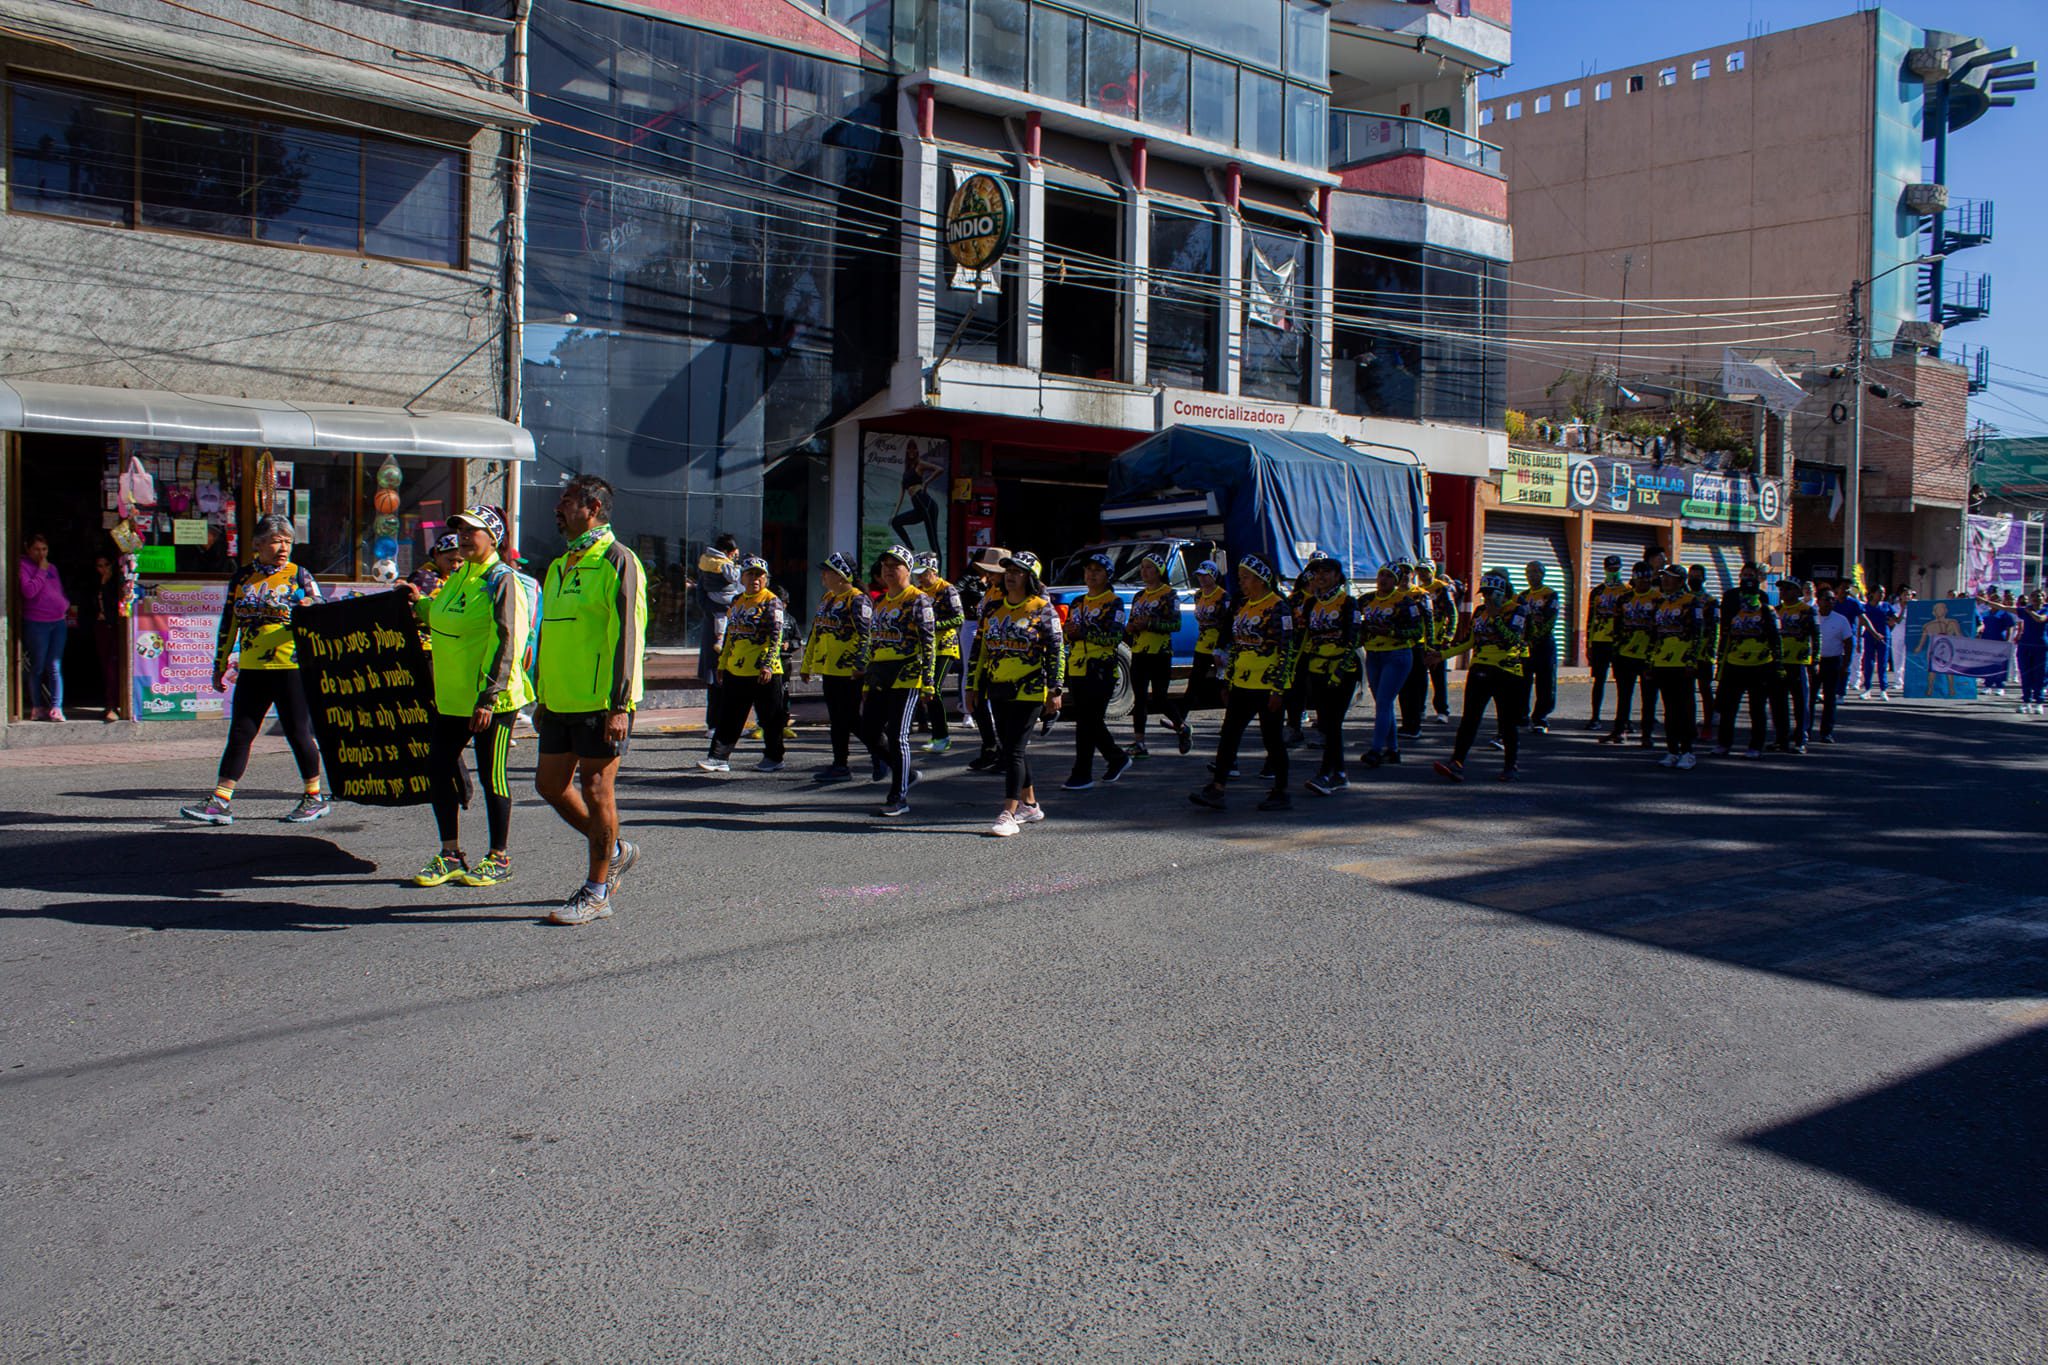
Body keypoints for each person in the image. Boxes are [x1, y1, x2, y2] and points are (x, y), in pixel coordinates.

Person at [531, 476, 647, 926]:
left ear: (592, 507)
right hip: (560, 700)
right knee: (549, 787)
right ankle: (615, 850)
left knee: (597, 792)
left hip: (602, 702)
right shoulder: (561, 563)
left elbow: (629, 634)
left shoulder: (618, 559)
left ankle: (597, 891)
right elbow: (550, 635)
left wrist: (620, 705)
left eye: (565, 502)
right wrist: (543, 694)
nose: (557, 510)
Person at [404, 506, 533, 888]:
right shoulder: (461, 575)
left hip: (491, 700)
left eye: (472, 531)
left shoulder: (502, 579)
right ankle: (450, 853)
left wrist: (488, 698)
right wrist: (417, 602)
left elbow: (511, 640)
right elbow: (443, 617)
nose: (463, 536)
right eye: (459, 530)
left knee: (494, 777)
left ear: (493, 537)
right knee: (438, 768)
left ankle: (499, 857)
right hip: (453, 698)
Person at [177, 515, 328, 825]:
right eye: (276, 541)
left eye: (287, 541)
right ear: (258, 545)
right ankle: (220, 801)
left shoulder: (300, 576)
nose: (283, 547)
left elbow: (322, 612)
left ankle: (313, 796)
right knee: (241, 733)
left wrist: (311, 607)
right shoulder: (242, 578)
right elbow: (228, 623)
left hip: (290, 667)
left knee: (298, 733)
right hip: (252, 667)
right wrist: (219, 664)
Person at [967, 551, 1065, 836]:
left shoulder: (1042, 608)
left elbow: (1057, 651)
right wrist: (972, 686)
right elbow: (980, 651)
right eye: (1008, 571)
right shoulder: (992, 609)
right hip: (998, 686)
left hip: (1030, 688)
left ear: (1030, 578)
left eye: (1018, 572)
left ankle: (1008, 812)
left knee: (1014, 749)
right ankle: (1030, 804)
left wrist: (1055, 689)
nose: (1010, 576)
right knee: (1011, 746)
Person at [1189, 555, 1296, 812]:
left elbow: (1287, 650)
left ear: (1261, 579)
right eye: (1240, 577)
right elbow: (1236, 646)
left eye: (1246, 577)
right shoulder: (1242, 606)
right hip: (1242, 684)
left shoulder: (1278, 607)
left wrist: (1278, 689)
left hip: (1267, 685)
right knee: (1229, 735)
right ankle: (1217, 788)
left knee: (1272, 740)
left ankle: (1281, 791)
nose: (1242, 582)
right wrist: (1226, 680)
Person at [1431, 570, 1530, 783]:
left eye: (1490, 594)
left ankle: (1510, 765)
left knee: (1507, 721)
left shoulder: (1517, 610)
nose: (1486, 598)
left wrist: (1496, 619)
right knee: (1470, 719)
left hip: (1507, 672)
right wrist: (1441, 655)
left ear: (1501, 592)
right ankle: (1456, 762)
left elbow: (1513, 640)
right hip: (1480, 670)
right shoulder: (1479, 612)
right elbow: (1469, 642)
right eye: (1483, 594)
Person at [861, 544, 936, 817]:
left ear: (908, 570)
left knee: (898, 735)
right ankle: (907, 772)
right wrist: (868, 682)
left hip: (907, 674)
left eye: (895, 566)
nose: (889, 571)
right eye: (885, 566)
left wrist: (928, 681)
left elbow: (929, 642)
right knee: (869, 730)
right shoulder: (880, 603)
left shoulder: (918, 599)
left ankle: (898, 797)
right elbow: (873, 644)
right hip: (880, 674)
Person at [700, 557, 788, 774]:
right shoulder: (738, 600)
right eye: (750, 574)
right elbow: (730, 634)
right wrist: (723, 663)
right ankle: (718, 757)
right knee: (729, 715)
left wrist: (767, 665)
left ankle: (774, 757)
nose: (755, 579)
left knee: (770, 719)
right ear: (741, 577)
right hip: (736, 669)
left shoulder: (771, 601)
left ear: (766, 579)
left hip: (763, 672)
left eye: (759, 575)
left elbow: (776, 636)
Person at [1061, 552, 1131, 790]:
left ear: (1106, 576)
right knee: (1087, 720)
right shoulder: (1078, 602)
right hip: (1077, 667)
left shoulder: (1114, 602)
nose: (1091, 574)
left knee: (1088, 721)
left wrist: (1084, 633)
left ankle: (1082, 773)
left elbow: (1114, 636)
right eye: (1089, 569)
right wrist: (1068, 632)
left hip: (1101, 668)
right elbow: (1068, 634)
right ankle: (1116, 757)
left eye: (1097, 570)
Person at [800, 552, 873, 782]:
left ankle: (883, 753)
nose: (823, 575)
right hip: (829, 669)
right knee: (839, 720)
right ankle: (840, 764)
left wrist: (860, 664)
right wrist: (807, 663)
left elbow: (867, 635)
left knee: (850, 719)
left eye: (828, 571)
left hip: (850, 672)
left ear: (842, 575)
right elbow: (815, 632)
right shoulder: (828, 598)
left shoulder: (858, 599)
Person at [1298, 552, 1361, 796]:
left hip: (1343, 670)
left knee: (1334, 722)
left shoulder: (1347, 603)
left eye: (1326, 572)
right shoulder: (1312, 604)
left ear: (1337, 577)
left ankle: (1326, 774)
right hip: (1317, 670)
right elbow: (1305, 637)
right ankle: (1340, 773)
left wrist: (1338, 671)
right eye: (1317, 572)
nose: (1321, 576)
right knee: (1327, 724)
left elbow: (1353, 638)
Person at [1357, 560, 1431, 769]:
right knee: (1384, 703)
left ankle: (1376, 749)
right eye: (1381, 575)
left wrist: (1390, 632)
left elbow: (1417, 632)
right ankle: (1393, 749)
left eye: (1389, 576)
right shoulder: (1367, 600)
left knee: (1383, 700)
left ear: (1396, 581)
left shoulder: (1404, 602)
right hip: (1374, 655)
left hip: (1396, 655)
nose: (1383, 580)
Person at [1713, 564, 1783, 759]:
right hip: (1734, 662)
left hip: (1760, 665)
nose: (1747, 580)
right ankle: (1724, 743)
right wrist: (1721, 660)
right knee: (1728, 707)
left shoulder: (1766, 606)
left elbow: (1774, 637)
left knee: (1757, 708)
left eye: (1751, 577)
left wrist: (1777, 665)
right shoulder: (1732, 602)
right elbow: (1725, 632)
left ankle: (1755, 745)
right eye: (1744, 577)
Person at [1126, 550, 1190, 757]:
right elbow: (1131, 622)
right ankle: (1139, 742)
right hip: (1139, 651)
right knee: (1140, 698)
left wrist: (1151, 623)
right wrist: (1131, 627)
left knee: (1160, 698)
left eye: (1149, 568)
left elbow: (1176, 624)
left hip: (1160, 652)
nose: (1144, 572)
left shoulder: (1169, 594)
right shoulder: (1139, 595)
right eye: (1142, 568)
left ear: (1159, 571)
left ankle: (1181, 726)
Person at [1648, 565, 1705, 770]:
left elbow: (1698, 634)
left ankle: (1688, 751)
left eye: (1670, 578)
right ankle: (1672, 749)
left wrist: (1691, 660)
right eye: (1663, 577)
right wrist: (1650, 660)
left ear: (1681, 581)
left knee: (1685, 707)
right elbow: (1654, 634)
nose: (1665, 581)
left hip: (1682, 663)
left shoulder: (1691, 602)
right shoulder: (1661, 603)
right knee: (1669, 708)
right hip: (1663, 662)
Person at [962, 547, 1010, 770]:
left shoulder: (1010, 593)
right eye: (987, 572)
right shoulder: (989, 590)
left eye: (993, 572)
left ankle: (1005, 753)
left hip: (1004, 657)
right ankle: (990, 747)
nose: (989, 576)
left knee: (1001, 708)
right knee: (977, 699)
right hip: (983, 651)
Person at [912, 553, 965, 753]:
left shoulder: (947, 589)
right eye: (917, 575)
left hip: (945, 645)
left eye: (923, 574)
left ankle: (941, 736)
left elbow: (959, 618)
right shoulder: (919, 591)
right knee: (926, 689)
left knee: (933, 688)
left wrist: (934, 625)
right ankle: (935, 734)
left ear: (933, 571)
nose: (920, 578)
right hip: (925, 646)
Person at [18, 533, 73, 722]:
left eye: (44, 549)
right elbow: (29, 591)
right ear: (28, 549)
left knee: (54, 665)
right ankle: (37, 706)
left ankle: (56, 707)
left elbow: (58, 591)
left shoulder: (53, 568)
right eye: (37, 549)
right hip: (37, 623)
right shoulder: (23, 566)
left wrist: (64, 604)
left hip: (58, 622)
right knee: (38, 665)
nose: (41, 554)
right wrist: (40, 570)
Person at [1601, 564, 1657, 746]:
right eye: (1641, 577)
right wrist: (1615, 650)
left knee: (1649, 697)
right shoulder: (1625, 599)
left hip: (1648, 656)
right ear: (1634, 578)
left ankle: (1647, 734)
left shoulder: (1658, 599)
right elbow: (1616, 626)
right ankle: (1619, 731)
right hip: (1625, 653)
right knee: (1624, 695)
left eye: (1647, 577)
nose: (1644, 581)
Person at [696, 532, 741, 735]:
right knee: (716, 682)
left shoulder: (710, 565)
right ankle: (714, 724)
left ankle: (729, 723)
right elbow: (702, 596)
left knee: (731, 684)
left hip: (734, 636)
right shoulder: (718, 571)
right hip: (717, 635)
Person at [1182, 559, 1232, 721]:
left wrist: (1222, 647)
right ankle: (1180, 719)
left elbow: (1228, 623)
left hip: (1220, 646)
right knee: (1194, 682)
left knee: (1223, 684)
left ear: (1213, 576)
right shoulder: (1198, 595)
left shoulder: (1223, 596)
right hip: (1202, 646)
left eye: (1205, 576)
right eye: (1199, 576)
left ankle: (1230, 720)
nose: (1202, 579)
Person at [1584, 555, 1630, 732]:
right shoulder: (1597, 592)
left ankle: (1623, 719)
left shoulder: (1627, 591)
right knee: (1599, 680)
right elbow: (1590, 619)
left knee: (1623, 682)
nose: (1613, 572)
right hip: (1599, 640)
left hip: (1619, 642)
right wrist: (1588, 643)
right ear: (1604, 569)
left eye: (1616, 569)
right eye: (1610, 569)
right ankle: (1595, 717)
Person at [1516, 561, 1561, 734]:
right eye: (1529, 572)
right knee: (1523, 681)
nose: (1532, 575)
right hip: (1526, 644)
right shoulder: (1523, 596)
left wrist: (1536, 637)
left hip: (1544, 644)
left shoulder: (1550, 594)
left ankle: (1541, 718)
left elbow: (1550, 619)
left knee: (1545, 681)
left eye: (1535, 572)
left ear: (1543, 574)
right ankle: (1521, 715)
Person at [889, 441, 944, 554]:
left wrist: (926, 483)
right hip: (918, 508)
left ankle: (937, 569)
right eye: (909, 449)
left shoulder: (920, 464)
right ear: (907, 451)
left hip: (926, 504)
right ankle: (911, 548)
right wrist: (894, 514)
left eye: (914, 448)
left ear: (917, 451)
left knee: (933, 541)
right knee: (896, 522)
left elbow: (939, 469)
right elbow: (901, 496)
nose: (912, 451)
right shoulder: (906, 471)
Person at [88, 552, 125, 721]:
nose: (103, 569)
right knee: (106, 665)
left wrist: (106, 585)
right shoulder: (92, 584)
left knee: (114, 665)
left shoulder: (118, 583)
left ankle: (115, 704)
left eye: (106, 565)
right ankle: (110, 703)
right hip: (101, 626)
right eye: (99, 566)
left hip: (116, 627)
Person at [1814, 584, 1853, 741]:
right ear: (1818, 601)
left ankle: (1826, 732)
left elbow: (1849, 643)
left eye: (1833, 599)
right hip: (1814, 662)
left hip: (1833, 661)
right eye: (1827, 599)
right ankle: (1804, 730)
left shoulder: (1841, 619)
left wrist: (1846, 665)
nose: (1831, 602)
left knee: (1830, 699)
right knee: (1809, 699)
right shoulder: (1811, 617)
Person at [1283, 571, 1314, 746]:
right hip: (1297, 652)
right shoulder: (1294, 600)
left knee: (1319, 691)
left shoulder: (1329, 600)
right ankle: (1294, 726)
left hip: (1322, 653)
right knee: (1296, 689)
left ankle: (1326, 731)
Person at [1687, 564, 1719, 723]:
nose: (1694, 579)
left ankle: (1709, 720)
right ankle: (1688, 721)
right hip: (1685, 652)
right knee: (1686, 690)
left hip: (1704, 652)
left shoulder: (1711, 600)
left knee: (1705, 689)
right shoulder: (1684, 598)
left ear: (1704, 578)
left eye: (1697, 576)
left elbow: (1714, 628)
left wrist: (1711, 650)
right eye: (1691, 576)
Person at [1976, 591, 2018, 699]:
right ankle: (1988, 685)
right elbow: (1981, 626)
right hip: (1987, 641)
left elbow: (2010, 628)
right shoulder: (1986, 613)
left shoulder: (2005, 614)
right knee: (1987, 664)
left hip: (2000, 641)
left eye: (1997, 600)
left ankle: (2000, 686)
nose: (1994, 602)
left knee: (2000, 665)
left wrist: (2008, 641)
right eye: (1992, 600)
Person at [1859, 585, 1895, 699]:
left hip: (1884, 637)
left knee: (1882, 663)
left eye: (1883, 593)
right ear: (1872, 594)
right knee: (1868, 663)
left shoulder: (1886, 606)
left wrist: (1904, 608)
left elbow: (1895, 620)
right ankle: (1867, 689)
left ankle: (1883, 690)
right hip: (1869, 636)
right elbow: (1862, 622)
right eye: (1879, 592)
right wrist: (1858, 638)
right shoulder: (1866, 607)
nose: (1882, 595)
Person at [2014, 590, 2046, 714]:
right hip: (2025, 646)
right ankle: (2026, 701)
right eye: (2034, 596)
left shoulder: (2045, 610)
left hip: (2041, 647)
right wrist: (1985, 602)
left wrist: (2030, 611)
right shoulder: (2024, 610)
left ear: (2044, 598)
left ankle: (2039, 702)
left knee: (2040, 674)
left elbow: (2040, 619)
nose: (2037, 599)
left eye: (2040, 596)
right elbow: (2005, 608)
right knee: (2025, 673)